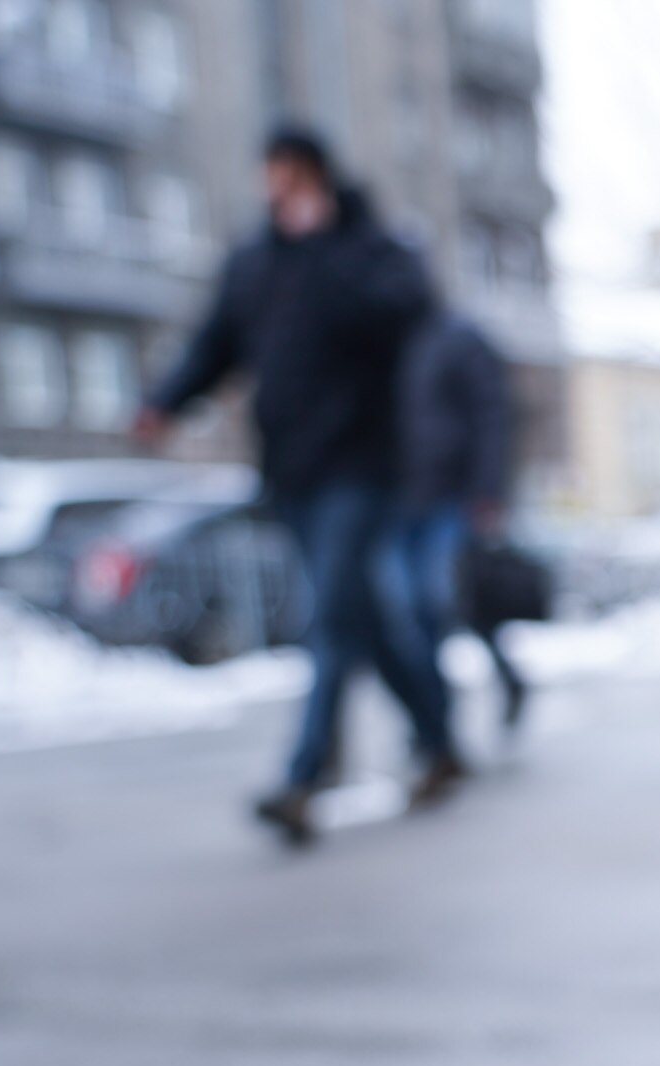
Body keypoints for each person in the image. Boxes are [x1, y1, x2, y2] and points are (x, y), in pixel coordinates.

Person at [134, 125, 461, 843]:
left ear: (312, 175)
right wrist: (163, 400)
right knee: (363, 623)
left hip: (364, 466)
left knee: (333, 615)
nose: (276, 191)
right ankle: (438, 738)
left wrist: (326, 246)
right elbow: (216, 343)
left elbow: (410, 312)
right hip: (295, 469)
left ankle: (304, 777)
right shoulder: (255, 263)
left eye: (288, 176)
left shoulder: (369, 246)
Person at [385, 305, 528, 732]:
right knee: (409, 611)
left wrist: (488, 492)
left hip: (450, 495)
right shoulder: (372, 342)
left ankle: (445, 716)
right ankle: (434, 723)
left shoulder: (456, 336)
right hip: (392, 500)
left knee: (441, 600)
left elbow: (493, 414)